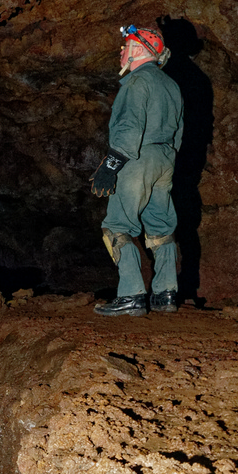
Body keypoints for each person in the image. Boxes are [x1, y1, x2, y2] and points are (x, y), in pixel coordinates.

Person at [89, 24, 184, 316]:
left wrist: (111, 164)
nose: (121, 52)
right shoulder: (171, 85)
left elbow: (129, 127)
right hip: (165, 160)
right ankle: (165, 294)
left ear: (139, 51)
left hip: (137, 158)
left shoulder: (135, 83)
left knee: (117, 226)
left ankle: (131, 295)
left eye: (125, 47)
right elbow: (179, 131)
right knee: (160, 227)